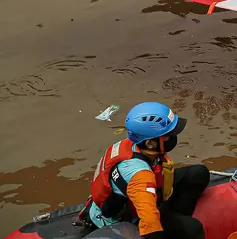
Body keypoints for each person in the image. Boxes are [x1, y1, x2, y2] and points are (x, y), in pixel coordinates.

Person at [82, 101, 210, 239]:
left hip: (139, 195)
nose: (172, 137)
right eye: (168, 135)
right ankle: (175, 227)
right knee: (193, 229)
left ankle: (175, 218)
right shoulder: (140, 175)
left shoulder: (134, 143)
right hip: (125, 219)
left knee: (198, 173)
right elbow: (150, 227)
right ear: (150, 143)